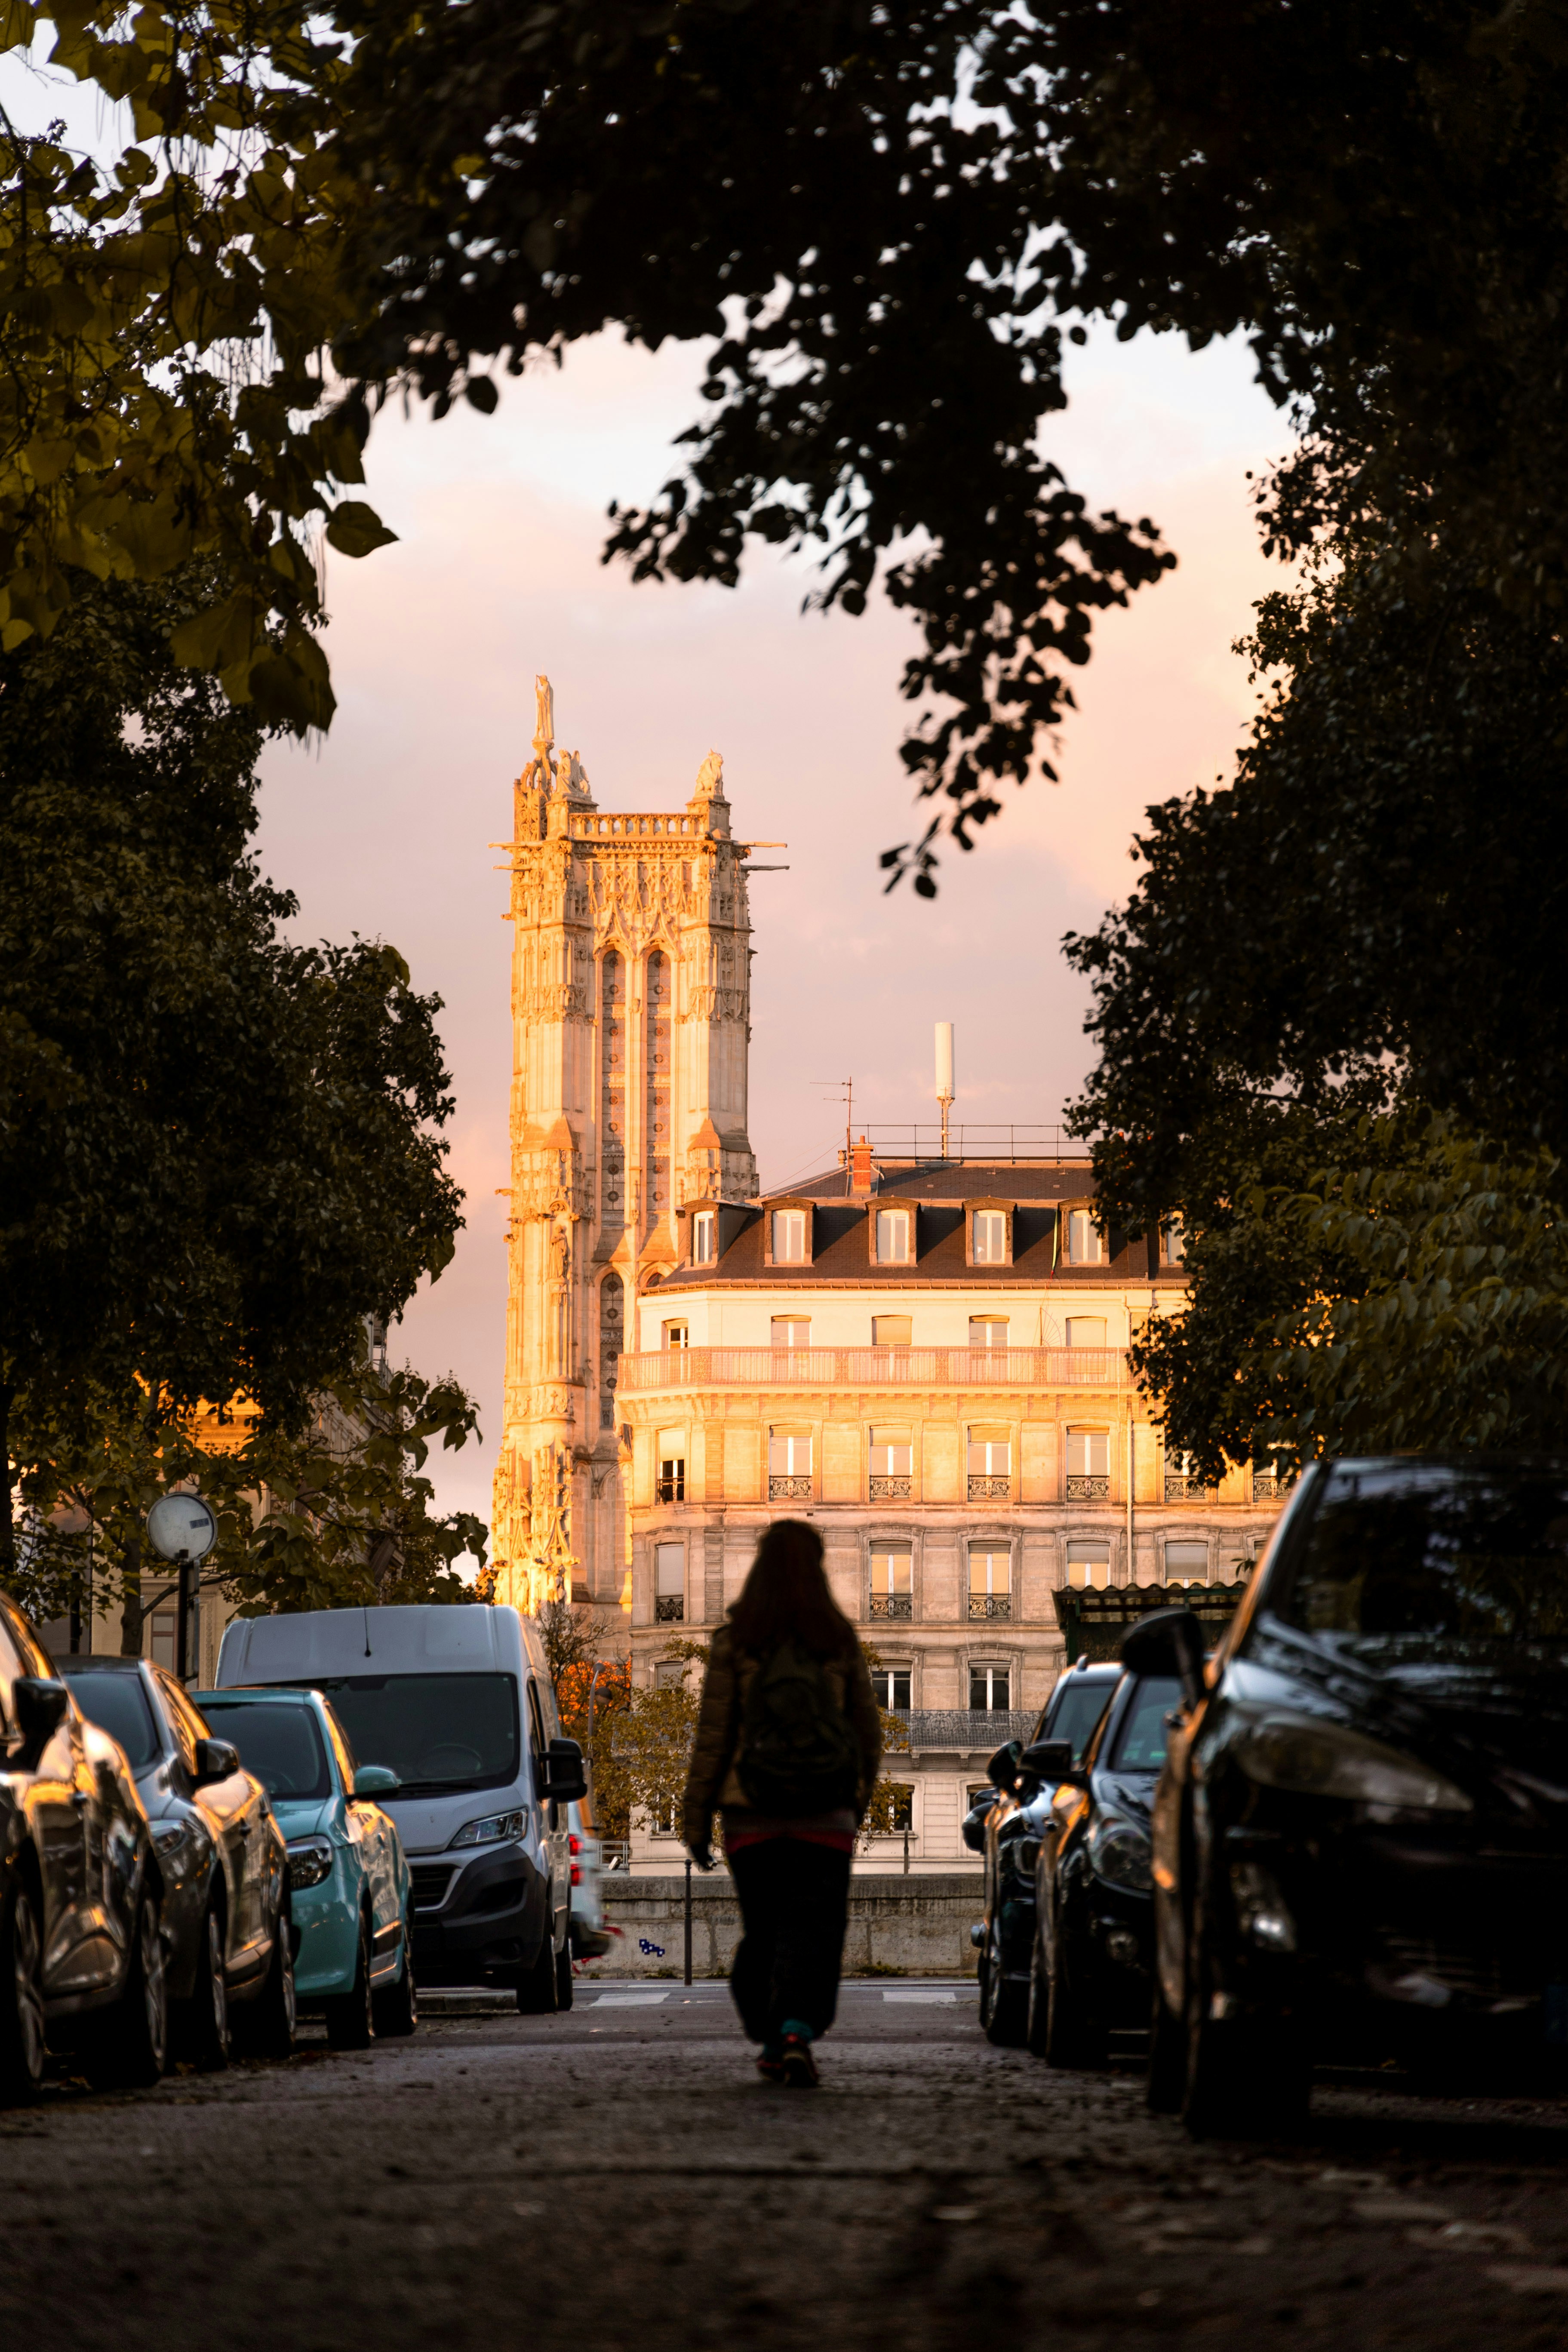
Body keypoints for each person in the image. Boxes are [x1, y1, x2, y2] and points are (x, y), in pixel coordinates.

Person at [682, 1520, 882, 2088]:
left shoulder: (736, 1640)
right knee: (815, 1930)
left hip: (753, 1815)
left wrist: (696, 1818)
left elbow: (713, 1738)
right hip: (826, 1814)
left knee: (765, 1931)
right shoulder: (836, 1639)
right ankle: (795, 2030)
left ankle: (774, 2034)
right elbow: (866, 1734)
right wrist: (854, 1802)